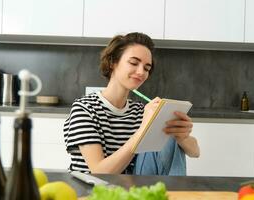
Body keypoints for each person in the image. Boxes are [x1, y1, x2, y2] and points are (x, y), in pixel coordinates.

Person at [63, 32, 200, 175]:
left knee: (168, 129)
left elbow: (195, 152)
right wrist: (143, 129)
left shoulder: (141, 111)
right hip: (95, 189)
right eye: (134, 63)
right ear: (112, 63)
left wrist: (182, 137)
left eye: (147, 68)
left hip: (130, 188)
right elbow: (100, 172)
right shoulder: (85, 109)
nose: (141, 72)